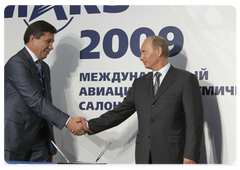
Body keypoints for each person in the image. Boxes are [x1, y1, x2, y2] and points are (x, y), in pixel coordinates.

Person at [72, 35, 204, 165]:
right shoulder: (139, 84)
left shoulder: (185, 80)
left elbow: (194, 122)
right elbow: (120, 112)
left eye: (144, 52)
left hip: (173, 155)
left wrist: (190, 154)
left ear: (159, 51)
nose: (141, 58)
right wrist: (88, 125)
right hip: (144, 156)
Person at [2, 20, 91, 162]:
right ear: (32, 39)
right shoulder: (17, 63)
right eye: (48, 41)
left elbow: (46, 103)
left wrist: (49, 145)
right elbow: (35, 100)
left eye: (52, 42)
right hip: (14, 139)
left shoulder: (44, 68)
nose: (51, 47)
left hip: (39, 142)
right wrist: (69, 121)